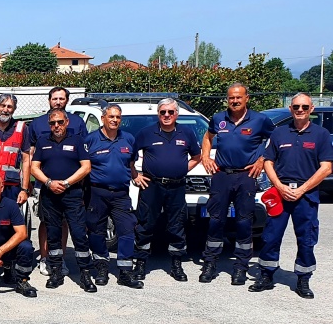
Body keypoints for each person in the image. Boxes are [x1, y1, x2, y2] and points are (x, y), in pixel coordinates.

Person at [254, 94, 332, 298]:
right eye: (296, 106)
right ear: (290, 108)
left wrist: (302, 189)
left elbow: (326, 168)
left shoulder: (321, 135)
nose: (300, 110)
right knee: (271, 236)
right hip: (280, 193)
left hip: (306, 195)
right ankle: (266, 275)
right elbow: (268, 161)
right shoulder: (279, 133)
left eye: (304, 106)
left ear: (311, 109)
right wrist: (279, 186)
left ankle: (303, 279)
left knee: (306, 238)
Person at [200, 83, 274, 284]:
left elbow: (274, 141)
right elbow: (207, 136)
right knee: (216, 220)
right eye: (231, 98)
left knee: (243, 222)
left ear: (246, 98)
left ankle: (241, 267)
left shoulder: (260, 120)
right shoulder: (218, 118)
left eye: (238, 97)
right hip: (221, 175)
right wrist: (205, 156)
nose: (234, 101)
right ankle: (210, 263)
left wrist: (262, 160)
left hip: (246, 176)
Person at [132, 98, 202, 282]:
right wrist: (135, 176)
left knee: (177, 225)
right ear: (158, 114)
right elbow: (129, 157)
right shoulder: (146, 133)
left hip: (177, 186)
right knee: (145, 224)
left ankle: (177, 264)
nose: (166, 115)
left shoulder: (186, 133)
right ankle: (140, 263)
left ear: (176, 114)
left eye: (170, 112)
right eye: (163, 112)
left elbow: (197, 156)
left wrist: (182, 169)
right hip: (151, 186)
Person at [30, 108, 95, 292]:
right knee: (53, 235)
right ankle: (56, 271)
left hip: (72, 194)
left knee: (79, 234)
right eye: (52, 123)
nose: (56, 126)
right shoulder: (43, 142)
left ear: (67, 122)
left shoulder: (77, 141)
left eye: (60, 122)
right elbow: (34, 168)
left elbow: (86, 167)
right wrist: (49, 183)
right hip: (50, 194)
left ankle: (85, 274)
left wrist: (66, 183)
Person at [23, 87, 89, 266]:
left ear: (67, 101)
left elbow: (84, 155)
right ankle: (45, 258)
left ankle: (60, 260)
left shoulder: (78, 122)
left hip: (71, 186)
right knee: (46, 222)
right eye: (54, 99)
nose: (58, 101)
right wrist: (32, 181)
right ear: (49, 100)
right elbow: (30, 155)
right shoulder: (37, 123)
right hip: (44, 184)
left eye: (61, 98)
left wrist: (74, 183)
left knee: (65, 222)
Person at [82, 104, 143, 289]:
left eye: (117, 117)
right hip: (96, 193)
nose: (114, 120)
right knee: (96, 231)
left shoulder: (129, 139)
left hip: (121, 193)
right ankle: (101, 268)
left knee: (127, 230)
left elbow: (131, 162)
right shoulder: (91, 140)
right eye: (111, 117)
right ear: (103, 118)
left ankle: (124, 272)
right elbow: (83, 166)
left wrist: (135, 175)